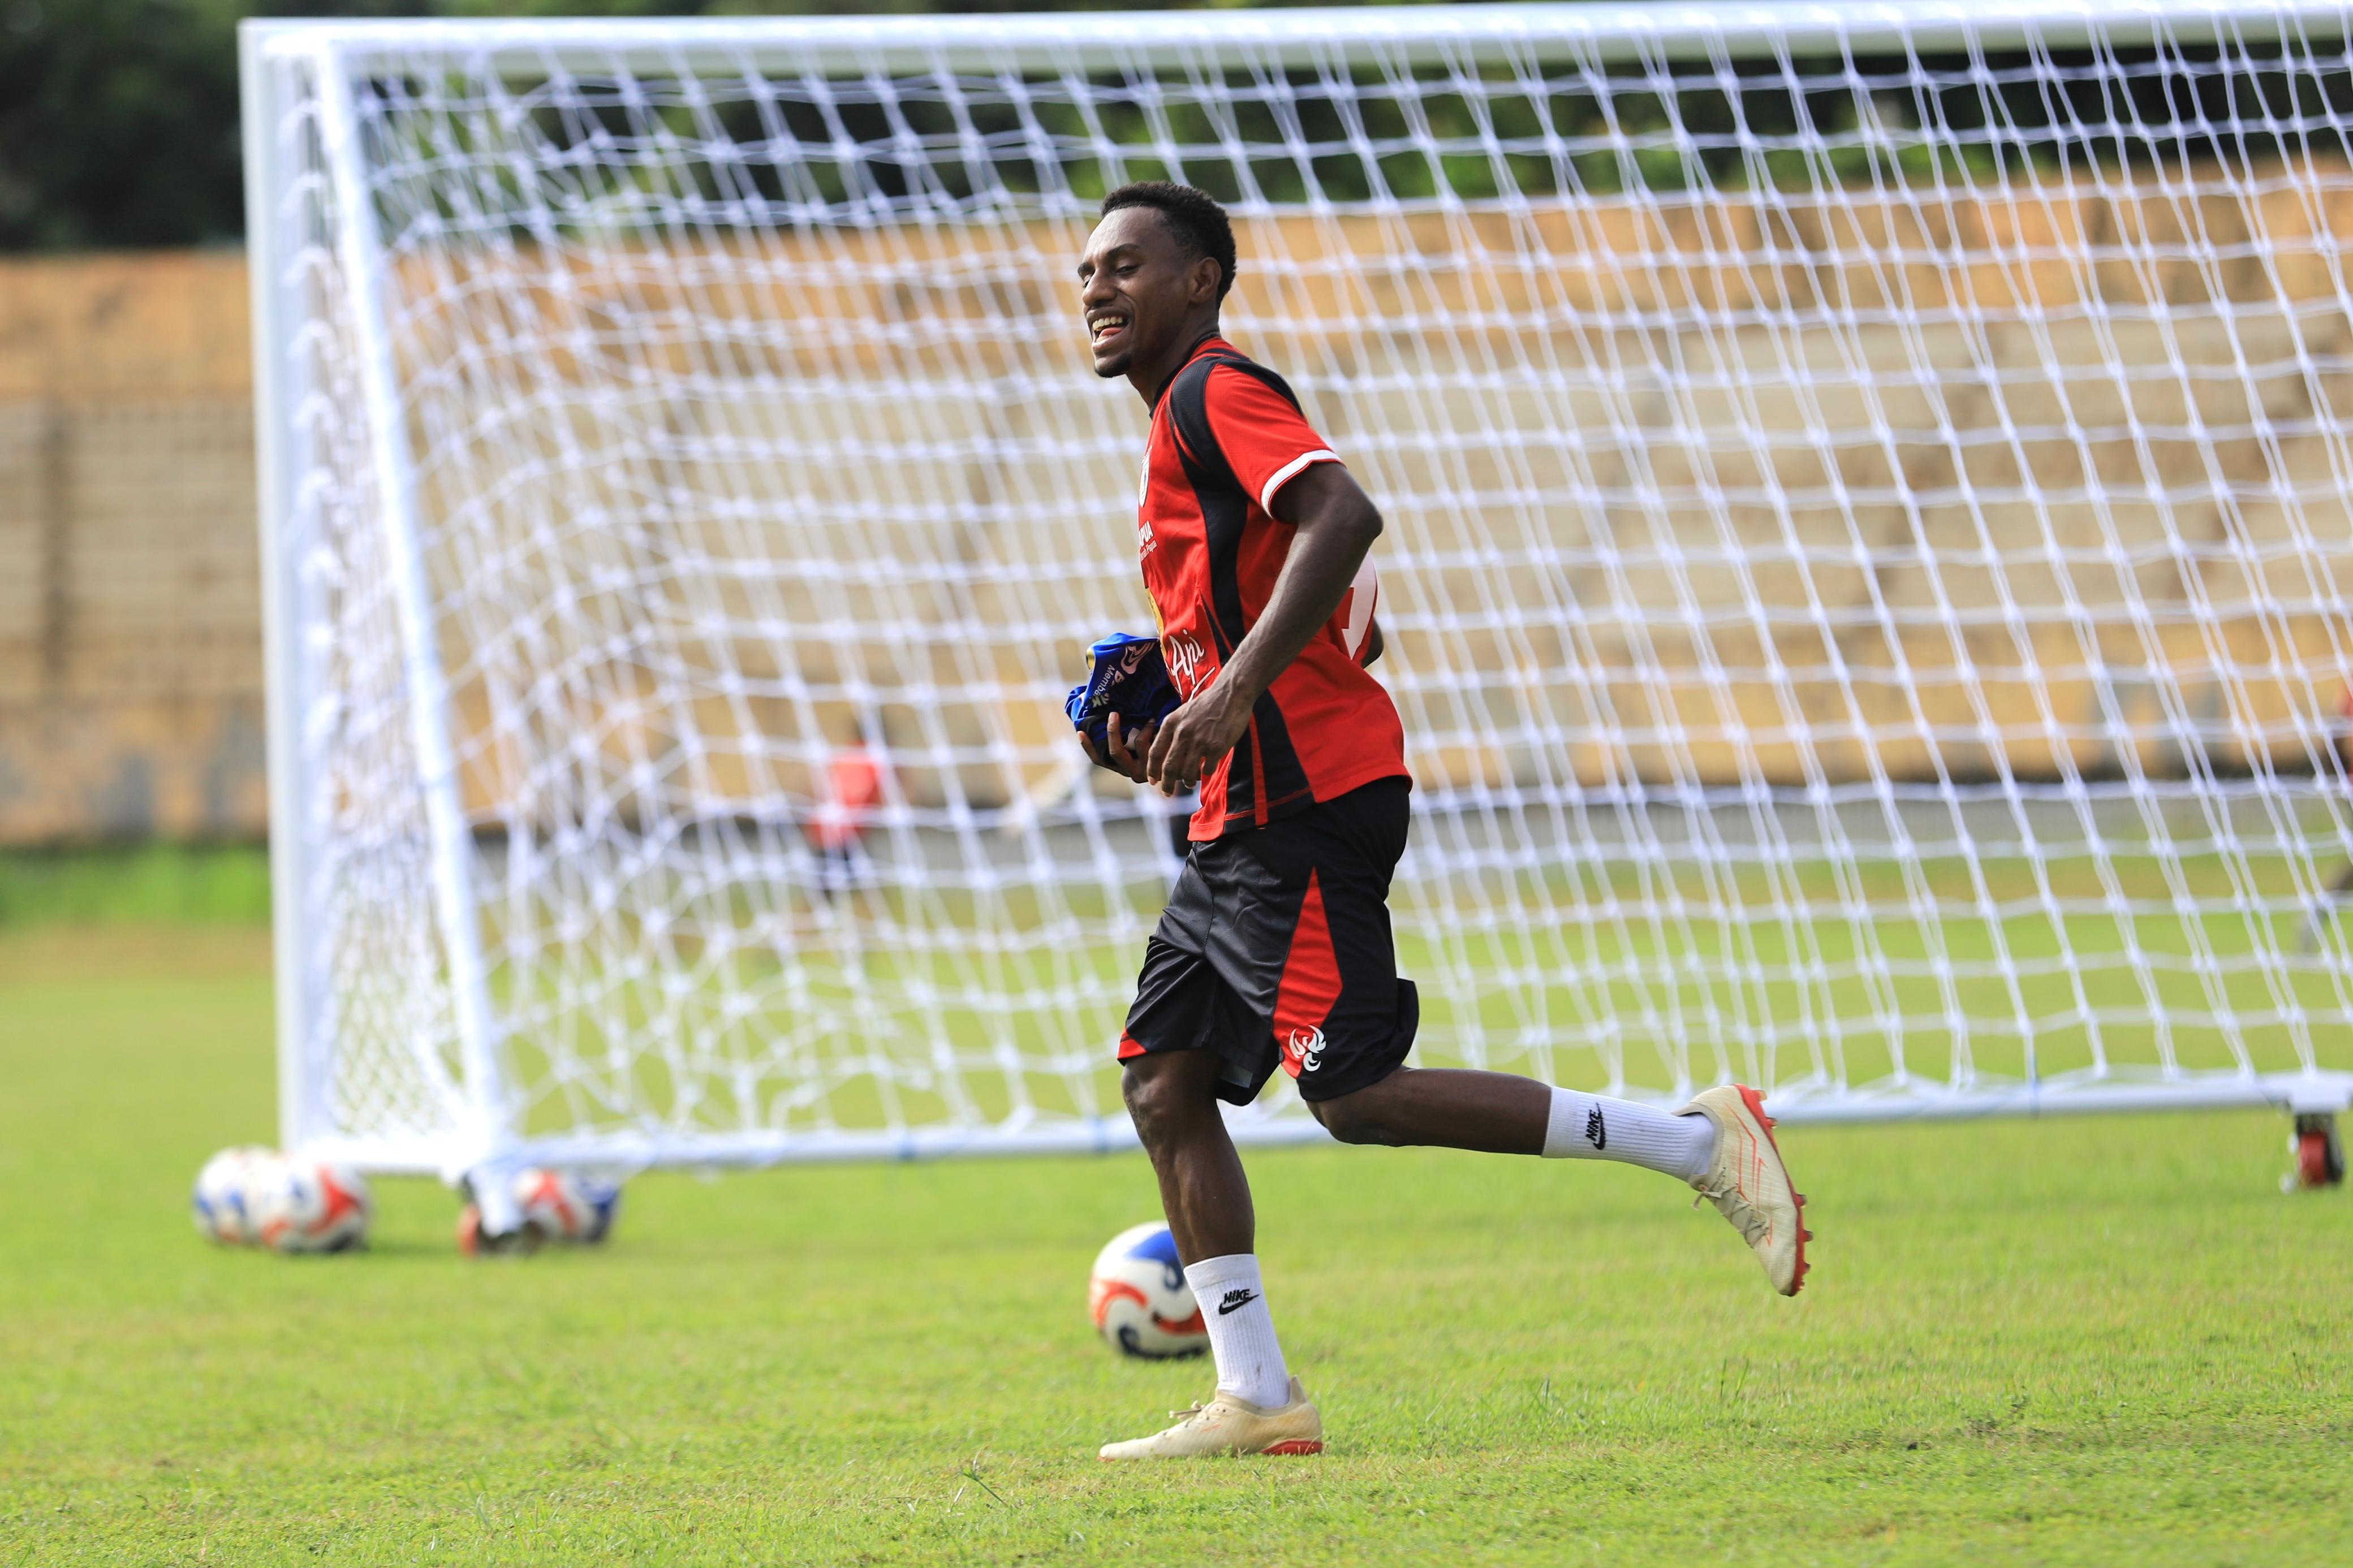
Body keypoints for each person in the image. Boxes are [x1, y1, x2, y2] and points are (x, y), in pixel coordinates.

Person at [1072, 183, 1809, 1462]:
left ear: (1199, 281)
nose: (1097, 287)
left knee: (1355, 1093)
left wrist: (1231, 691)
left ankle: (1696, 1143)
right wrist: (1180, 706)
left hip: (1302, 805)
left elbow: (1344, 515)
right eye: (1087, 270)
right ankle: (1258, 1396)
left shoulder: (1212, 391)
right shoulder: (1176, 436)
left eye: (1126, 264)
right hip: (1243, 814)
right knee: (1163, 1081)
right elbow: (1356, 623)